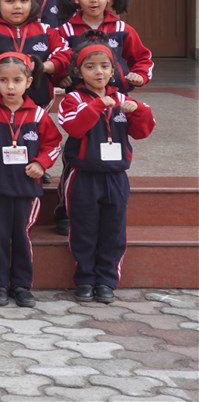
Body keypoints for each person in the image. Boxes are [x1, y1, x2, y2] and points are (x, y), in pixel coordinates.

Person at [57, 41, 155, 304]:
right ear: (78, 71)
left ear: (113, 70)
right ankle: (85, 279)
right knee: (84, 230)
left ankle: (106, 280)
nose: (98, 72)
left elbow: (143, 131)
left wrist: (140, 111)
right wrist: (98, 106)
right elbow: (74, 127)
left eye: (104, 66)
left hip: (115, 177)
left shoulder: (122, 99)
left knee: (113, 231)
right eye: (90, 67)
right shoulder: (73, 99)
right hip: (83, 177)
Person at [0, 53, 62, 307]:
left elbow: (53, 144)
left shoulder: (38, 115)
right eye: (4, 80)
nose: (10, 87)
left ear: (29, 82)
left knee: (21, 236)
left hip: (26, 189)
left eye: (17, 80)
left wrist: (41, 163)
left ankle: (22, 285)